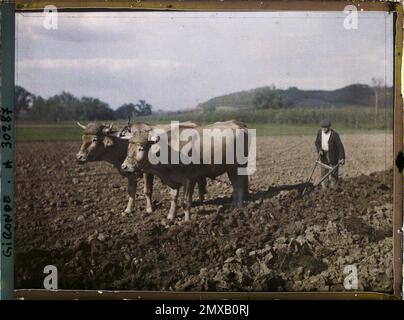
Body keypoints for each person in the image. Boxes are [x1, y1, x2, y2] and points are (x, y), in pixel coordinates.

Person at [315, 119, 345, 189]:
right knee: (324, 170)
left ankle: (334, 186)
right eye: (322, 127)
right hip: (323, 154)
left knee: (333, 170)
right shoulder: (319, 133)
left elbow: (340, 147)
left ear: (329, 127)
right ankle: (324, 186)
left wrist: (342, 158)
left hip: (332, 154)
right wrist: (319, 150)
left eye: (325, 128)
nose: (324, 129)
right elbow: (317, 142)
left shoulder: (334, 135)